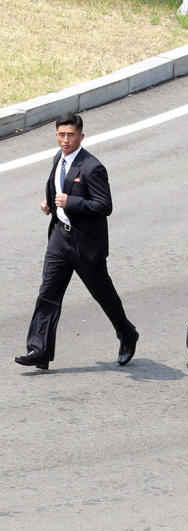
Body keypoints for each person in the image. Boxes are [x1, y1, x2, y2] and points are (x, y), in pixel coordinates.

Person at [16, 114, 139, 371]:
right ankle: (39, 350)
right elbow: (57, 187)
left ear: (81, 136)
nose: (65, 140)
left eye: (71, 135)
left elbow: (104, 205)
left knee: (102, 294)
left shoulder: (92, 167)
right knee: (48, 294)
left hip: (85, 244)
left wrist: (69, 202)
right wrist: (49, 203)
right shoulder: (57, 159)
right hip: (60, 238)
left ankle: (127, 334)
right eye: (61, 135)